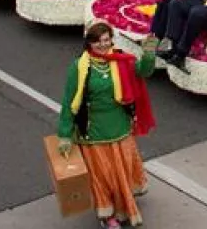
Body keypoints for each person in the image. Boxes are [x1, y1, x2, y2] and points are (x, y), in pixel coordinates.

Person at [56, 23, 158, 229]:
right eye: (98, 41)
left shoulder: (120, 59)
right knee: (104, 175)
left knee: (123, 171)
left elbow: (143, 73)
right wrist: (65, 135)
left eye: (106, 40)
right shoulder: (79, 67)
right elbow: (69, 102)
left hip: (120, 127)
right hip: (93, 131)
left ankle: (125, 206)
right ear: (89, 43)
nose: (103, 45)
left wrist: (148, 54)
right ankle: (107, 215)